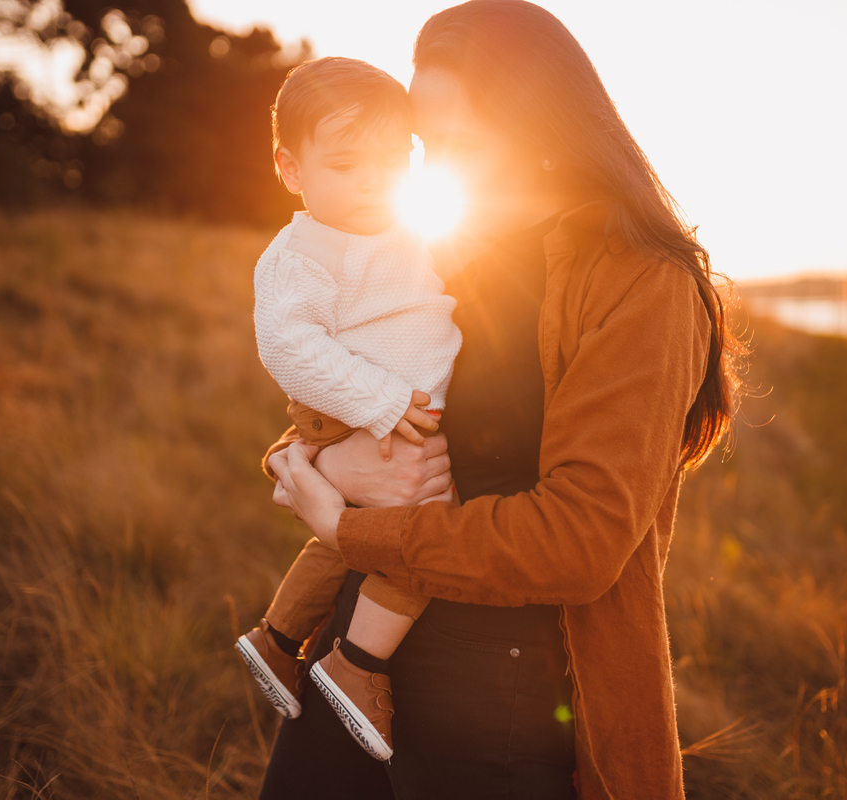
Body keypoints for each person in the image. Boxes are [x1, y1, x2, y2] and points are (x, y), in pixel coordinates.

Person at [259, 1, 742, 798]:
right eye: (428, 143)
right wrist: (312, 460)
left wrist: (350, 525)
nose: (441, 164)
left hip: (501, 712)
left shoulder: (643, 283)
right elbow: (333, 395)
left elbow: (581, 541)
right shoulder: (439, 252)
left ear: (542, 122)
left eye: (466, 140)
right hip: (351, 664)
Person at [236, 56, 462, 762]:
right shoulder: (304, 252)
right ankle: (357, 665)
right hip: (369, 414)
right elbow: (286, 347)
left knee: (347, 539)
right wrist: (385, 402)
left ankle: (275, 641)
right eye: (345, 164)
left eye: (392, 163)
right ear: (292, 169)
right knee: (423, 536)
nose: (372, 182)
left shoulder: (397, 234)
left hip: (388, 413)